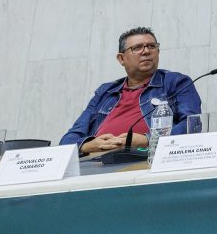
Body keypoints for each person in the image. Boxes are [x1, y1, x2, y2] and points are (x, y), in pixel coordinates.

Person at [59, 27, 202, 155]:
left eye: (152, 46)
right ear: (121, 59)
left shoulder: (176, 82)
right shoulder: (105, 92)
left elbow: (192, 125)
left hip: (147, 160)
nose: (146, 51)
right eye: (137, 47)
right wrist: (88, 145)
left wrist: (147, 140)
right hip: (96, 162)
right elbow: (68, 140)